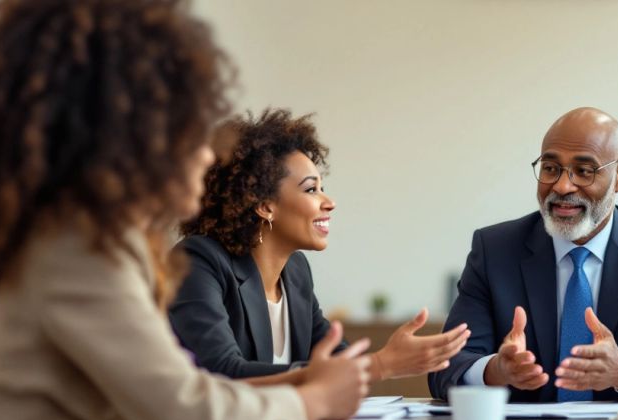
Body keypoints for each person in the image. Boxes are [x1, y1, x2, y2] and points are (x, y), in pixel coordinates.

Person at [0, 1, 370, 420]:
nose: (205, 153)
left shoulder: (93, 238)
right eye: (188, 126)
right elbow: (183, 409)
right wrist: (313, 400)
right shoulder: (76, 247)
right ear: (131, 136)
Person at [429, 107, 618, 404]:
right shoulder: (494, 250)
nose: (562, 186)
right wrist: (494, 370)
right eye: (551, 168)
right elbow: (444, 367)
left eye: (584, 171)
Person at [171, 108, 469, 379]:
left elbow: (338, 360)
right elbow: (222, 373)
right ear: (264, 205)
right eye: (311, 189)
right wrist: (378, 365)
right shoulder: (198, 261)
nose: (329, 202)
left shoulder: (296, 272)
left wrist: (384, 360)